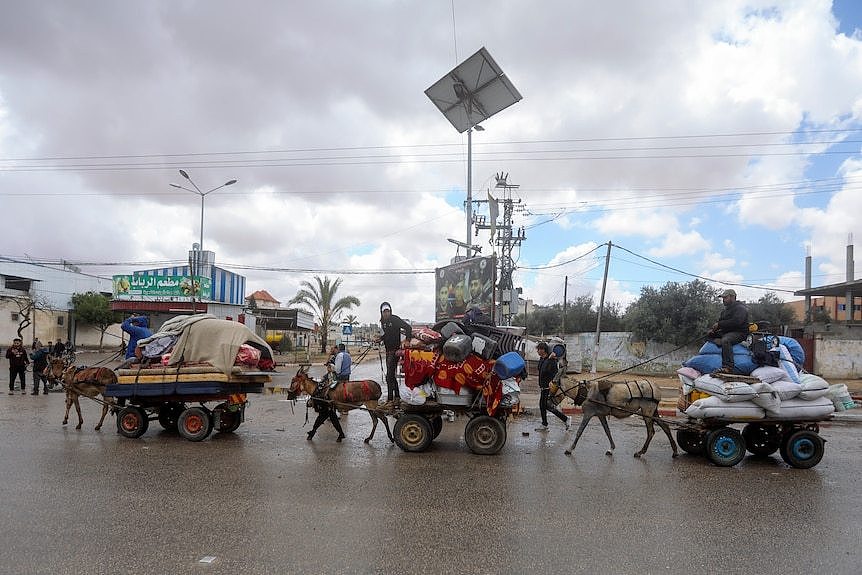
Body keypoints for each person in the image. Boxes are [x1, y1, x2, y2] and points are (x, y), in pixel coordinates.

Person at [375, 302, 412, 402]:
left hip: (395, 351)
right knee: (391, 376)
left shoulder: (395, 319)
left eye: (388, 311)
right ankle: (397, 397)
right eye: (384, 312)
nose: (386, 313)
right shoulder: (383, 322)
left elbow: (408, 328)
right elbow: (387, 334)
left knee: (389, 376)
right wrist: (381, 339)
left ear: (390, 311)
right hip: (388, 351)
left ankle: (390, 400)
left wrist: (408, 340)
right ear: (381, 312)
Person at [708, 289, 750, 374]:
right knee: (708, 335)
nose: (723, 300)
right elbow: (722, 323)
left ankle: (728, 367)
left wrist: (719, 324)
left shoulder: (740, 308)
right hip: (727, 332)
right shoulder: (725, 311)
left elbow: (736, 322)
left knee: (726, 340)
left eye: (725, 297)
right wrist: (714, 329)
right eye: (723, 298)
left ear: (733, 297)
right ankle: (720, 344)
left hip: (739, 333)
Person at [534, 342, 571, 432]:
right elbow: (540, 369)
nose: (538, 351)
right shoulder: (542, 359)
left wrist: (549, 359)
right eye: (538, 349)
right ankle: (545, 424)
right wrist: (544, 360)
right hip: (543, 387)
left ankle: (565, 419)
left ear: (543, 350)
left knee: (547, 406)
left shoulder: (552, 361)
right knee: (543, 406)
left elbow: (550, 371)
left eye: (539, 349)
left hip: (548, 388)